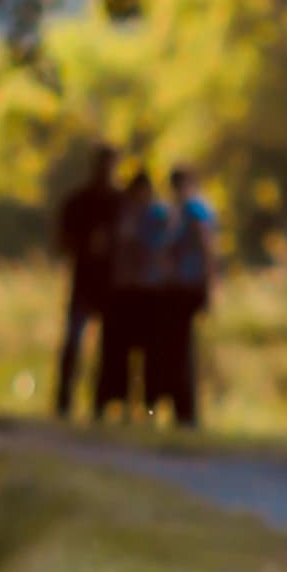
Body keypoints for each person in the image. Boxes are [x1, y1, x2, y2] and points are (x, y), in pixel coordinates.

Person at [94, 165, 176, 419]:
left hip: (150, 292)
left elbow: (165, 249)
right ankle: (117, 402)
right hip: (124, 292)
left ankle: (149, 405)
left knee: (152, 354)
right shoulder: (121, 215)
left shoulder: (159, 215)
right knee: (119, 353)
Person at [51, 145, 119, 418]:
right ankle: (65, 402)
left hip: (110, 284)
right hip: (85, 281)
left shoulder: (118, 202)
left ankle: (100, 403)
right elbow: (62, 241)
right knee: (74, 344)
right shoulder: (79, 202)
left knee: (105, 349)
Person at [165, 166, 219, 429]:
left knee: (181, 349)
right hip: (182, 286)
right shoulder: (186, 210)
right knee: (179, 349)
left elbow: (206, 249)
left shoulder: (194, 210)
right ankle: (182, 411)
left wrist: (208, 286)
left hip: (189, 286)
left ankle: (186, 414)